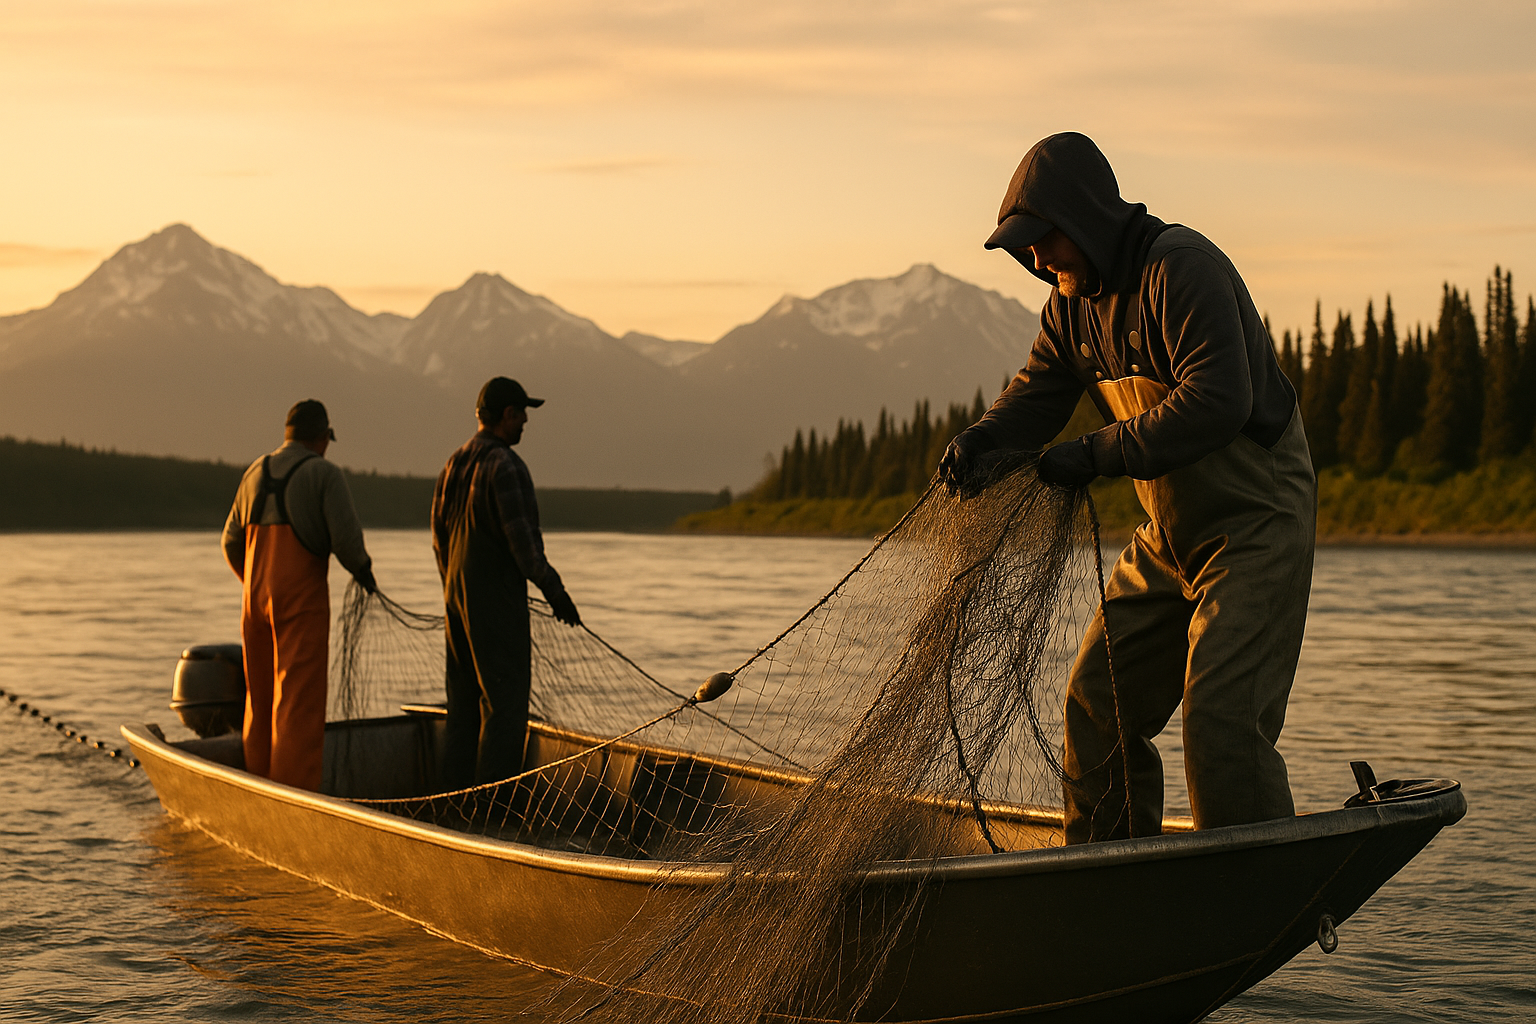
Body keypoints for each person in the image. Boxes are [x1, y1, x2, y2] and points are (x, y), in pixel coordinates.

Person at [940, 132, 1316, 844]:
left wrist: (1095, 454)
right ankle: (1109, 874)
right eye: (1025, 248)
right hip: (1167, 540)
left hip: (1255, 526)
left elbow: (1218, 401)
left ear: (1085, 218)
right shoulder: (1069, 305)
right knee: (1096, 704)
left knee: (1221, 720)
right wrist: (983, 441)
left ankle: (1249, 881)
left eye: (1043, 239)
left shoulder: (1181, 269)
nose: (1037, 259)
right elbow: (1038, 394)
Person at [432, 376, 581, 788]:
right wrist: (557, 593)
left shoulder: (453, 463)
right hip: (496, 607)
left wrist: (454, 591)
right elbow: (525, 549)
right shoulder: (507, 466)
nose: (526, 423)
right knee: (504, 705)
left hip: (455, 603)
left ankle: (454, 801)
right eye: (523, 415)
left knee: (462, 706)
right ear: (507, 414)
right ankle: (492, 809)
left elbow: (439, 540)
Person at [222, 399, 376, 791]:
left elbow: (229, 542)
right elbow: (347, 543)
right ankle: (293, 797)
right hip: (300, 605)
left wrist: (253, 582)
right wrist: (364, 572)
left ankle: (255, 787)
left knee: (259, 699)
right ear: (322, 437)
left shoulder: (254, 472)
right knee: (297, 705)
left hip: (254, 604)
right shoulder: (324, 474)